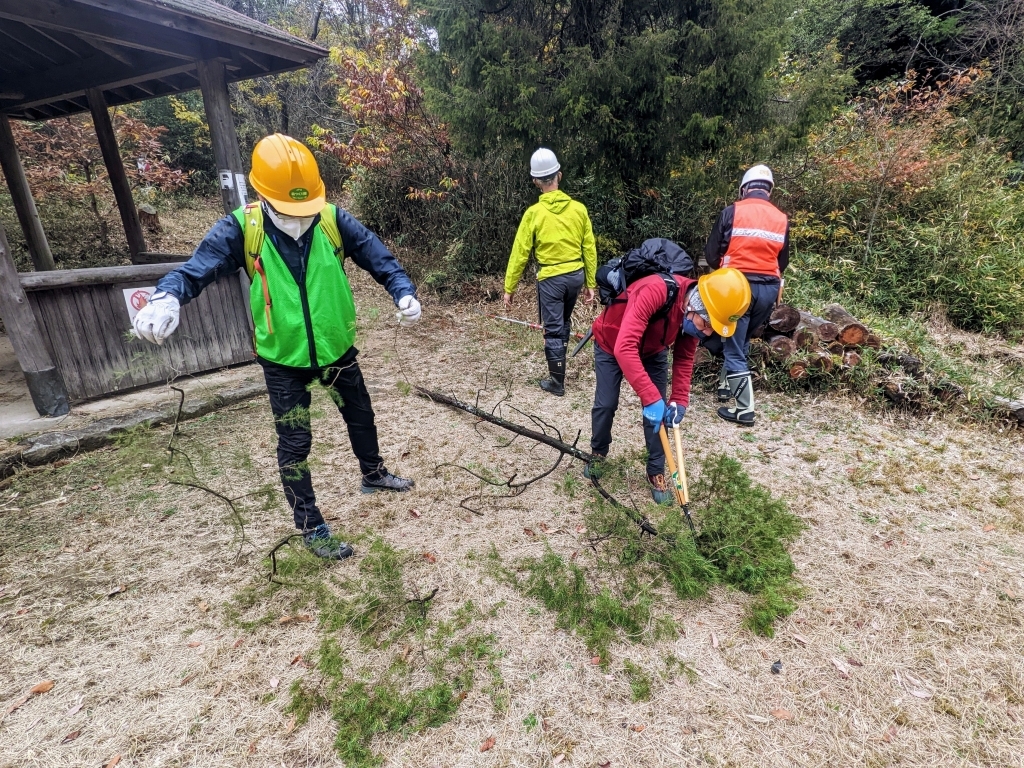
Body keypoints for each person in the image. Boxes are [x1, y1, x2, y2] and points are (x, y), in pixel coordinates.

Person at [132, 134, 421, 560]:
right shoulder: (241, 228)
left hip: (336, 349)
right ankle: (311, 525)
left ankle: (373, 473)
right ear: (263, 194)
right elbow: (196, 270)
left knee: (361, 415)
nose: (300, 216)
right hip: (283, 359)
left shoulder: (330, 219)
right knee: (295, 441)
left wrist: (403, 291)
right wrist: (166, 296)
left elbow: (378, 257)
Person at [586, 267, 751, 502]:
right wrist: (650, 397)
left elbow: (683, 359)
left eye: (711, 329)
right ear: (696, 304)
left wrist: (679, 400)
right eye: (706, 324)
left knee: (660, 414)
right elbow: (625, 348)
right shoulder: (654, 290)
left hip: (654, 351)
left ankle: (655, 471)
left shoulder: (693, 316)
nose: (705, 332)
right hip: (611, 344)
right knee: (606, 403)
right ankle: (598, 453)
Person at [503, 148, 597, 396]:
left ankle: (557, 382)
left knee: (554, 328)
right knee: (563, 323)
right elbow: (589, 247)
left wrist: (509, 288)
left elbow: (520, 252)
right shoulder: (578, 209)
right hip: (575, 276)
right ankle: (558, 370)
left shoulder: (534, 214)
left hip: (551, 279)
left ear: (536, 181)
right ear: (559, 176)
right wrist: (590, 282)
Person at [705, 164, 790, 426]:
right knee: (739, 342)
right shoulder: (781, 218)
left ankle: (745, 410)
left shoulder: (732, 212)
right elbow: (783, 260)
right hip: (769, 288)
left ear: (744, 188)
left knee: (732, 344)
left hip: (737, 287)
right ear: (769, 190)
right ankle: (725, 388)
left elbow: (711, 254)